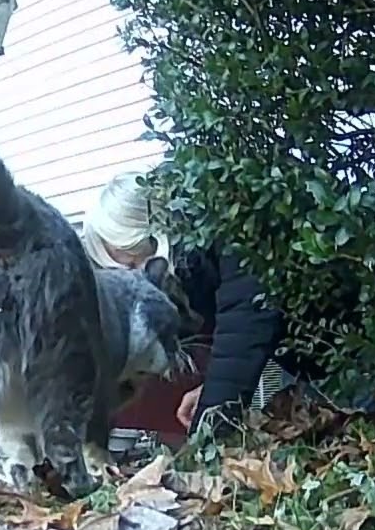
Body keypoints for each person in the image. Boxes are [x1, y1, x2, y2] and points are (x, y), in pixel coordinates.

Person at [81, 168, 351, 437]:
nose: (137, 279)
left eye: (133, 262)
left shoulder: (231, 228)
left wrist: (209, 429)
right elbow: (257, 346)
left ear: (151, 235)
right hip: (312, 359)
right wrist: (210, 394)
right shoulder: (199, 264)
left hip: (352, 352)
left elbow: (245, 331)